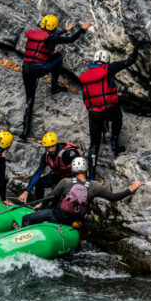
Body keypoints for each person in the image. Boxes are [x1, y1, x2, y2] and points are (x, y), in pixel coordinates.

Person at [19, 14, 92, 139]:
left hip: (26, 68)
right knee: (58, 57)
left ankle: (25, 131)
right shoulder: (51, 38)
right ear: (53, 27)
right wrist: (82, 29)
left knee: (30, 98)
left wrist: (65, 30)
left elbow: (49, 36)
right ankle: (54, 87)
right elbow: (70, 40)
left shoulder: (34, 35)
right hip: (39, 69)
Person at [18, 156, 141, 228]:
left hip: (57, 216)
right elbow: (113, 197)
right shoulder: (94, 186)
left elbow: (50, 196)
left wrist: (40, 206)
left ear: (73, 169)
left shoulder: (65, 182)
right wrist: (131, 189)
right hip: (75, 220)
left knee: (26, 218)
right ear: (85, 169)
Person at [78, 47, 139, 180]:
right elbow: (129, 61)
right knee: (118, 118)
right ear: (106, 61)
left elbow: (85, 97)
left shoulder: (86, 75)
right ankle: (114, 142)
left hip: (94, 113)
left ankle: (92, 176)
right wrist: (136, 48)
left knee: (94, 144)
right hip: (109, 109)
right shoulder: (109, 68)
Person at [17, 132, 81, 203]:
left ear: (56, 144)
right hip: (57, 177)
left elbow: (80, 172)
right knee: (39, 183)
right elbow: (38, 173)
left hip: (71, 180)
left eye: (52, 146)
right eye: (47, 147)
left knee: (56, 201)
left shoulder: (69, 153)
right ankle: (38, 205)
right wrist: (27, 191)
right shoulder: (46, 156)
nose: (50, 150)